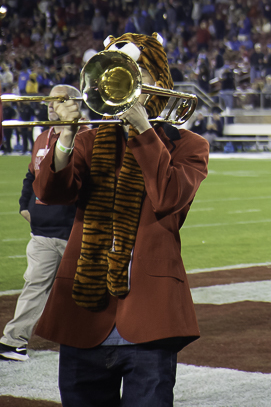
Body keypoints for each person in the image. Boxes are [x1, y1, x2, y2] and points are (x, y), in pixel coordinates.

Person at [31, 33, 209, 406]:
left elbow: (169, 198)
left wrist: (144, 129)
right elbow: (51, 193)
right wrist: (66, 133)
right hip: (83, 317)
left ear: (157, 83)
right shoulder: (90, 139)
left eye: (136, 71)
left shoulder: (189, 145)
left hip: (150, 317)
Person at [0, 85, 86, 362]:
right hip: (44, 231)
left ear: (74, 104)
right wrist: (25, 205)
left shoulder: (89, 136)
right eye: (49, 101)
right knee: (35, 285)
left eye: (59, 101)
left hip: (78, 230)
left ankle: (99, 340)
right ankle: (14, 341)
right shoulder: (42, 137)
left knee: (90, 288)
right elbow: (31, 175)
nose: (51, 106)